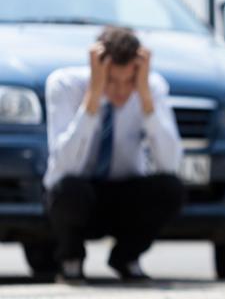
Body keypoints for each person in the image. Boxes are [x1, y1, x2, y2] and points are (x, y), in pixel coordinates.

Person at [43, 26, 185, 283]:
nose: (121, 92)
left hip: (124, 195)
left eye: (128, 81)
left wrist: (144, 96)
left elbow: (170, 163)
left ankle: (126, 258)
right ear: (96, 69)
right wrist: (93, 97)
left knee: (170, 189)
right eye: (112, 80)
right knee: (68, 190)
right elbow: (64, 165)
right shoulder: (64, 85)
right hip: (80, 195)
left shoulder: (150, 87)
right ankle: (71, 260)